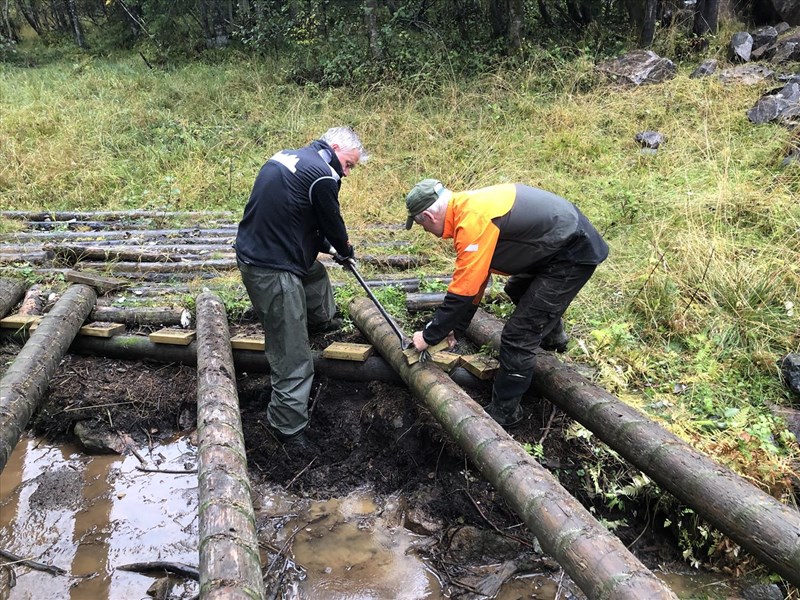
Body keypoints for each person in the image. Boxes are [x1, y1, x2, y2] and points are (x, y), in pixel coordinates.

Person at [404, 179, 608, 427]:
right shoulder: (466, 208)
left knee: (517, 337)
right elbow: (477, 279)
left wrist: (429, 335)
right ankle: (553, 337)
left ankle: (505, 412)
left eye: (420, 224)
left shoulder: (472, 220)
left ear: (427, 215)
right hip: (553, 246)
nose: (425, 230)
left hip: (571, 252)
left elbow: (463, 290)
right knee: (517, 287)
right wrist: (456, 328)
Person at [236, 126, 368, 446]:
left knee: (314, 275)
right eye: (348, 164)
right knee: (293, 358)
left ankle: (321, 323)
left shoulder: (291, 158)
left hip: (260, 250)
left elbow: (302, 220)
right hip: (271, 269)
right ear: (335, 147)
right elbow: (333, 224)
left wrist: (332, 250)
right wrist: (345, 250)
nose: (346, 173)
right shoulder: (324, 175)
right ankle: (286, 428)